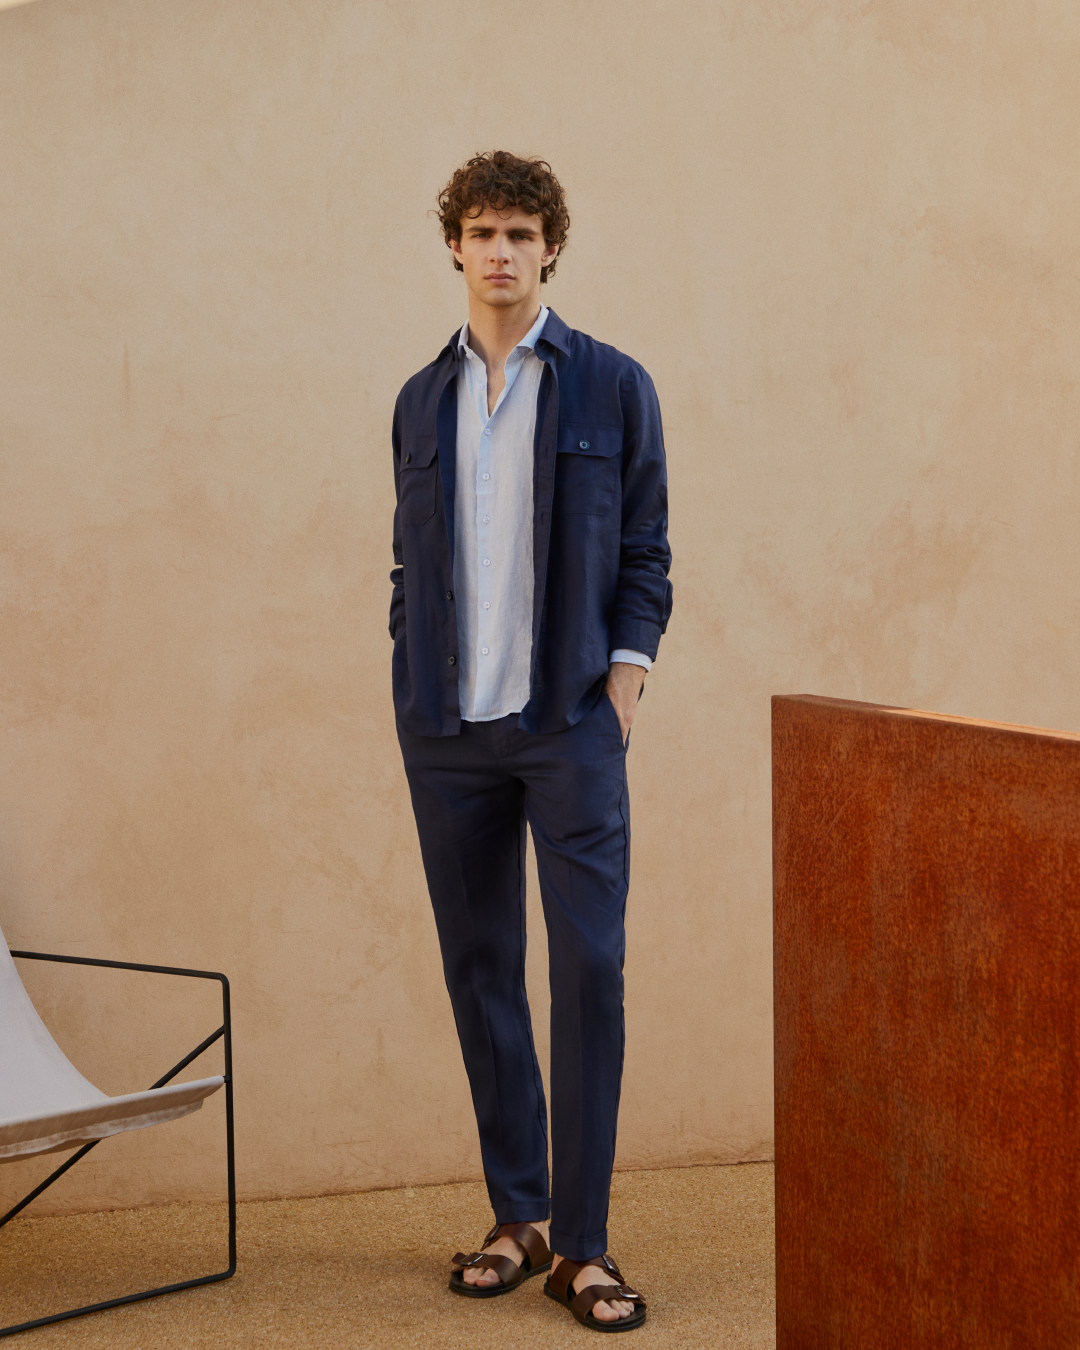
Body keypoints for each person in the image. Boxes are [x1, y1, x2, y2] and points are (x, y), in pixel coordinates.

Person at [390, 150, 672, 1333]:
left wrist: (623, 682)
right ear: (454, 247)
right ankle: (520, 1218)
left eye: (520, 232)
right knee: (481, 969)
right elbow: (411, 563)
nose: (500, 251)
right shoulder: (420, 399)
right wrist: (410, 669)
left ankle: (585, 1248)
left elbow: (646, 551)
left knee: (589, 971)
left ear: (551, 248)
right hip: (448, 729)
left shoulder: (613, 385)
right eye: (481, 231)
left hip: (569, 724)